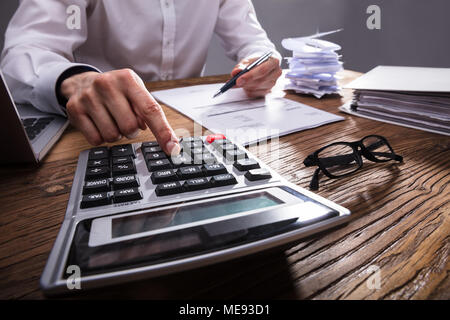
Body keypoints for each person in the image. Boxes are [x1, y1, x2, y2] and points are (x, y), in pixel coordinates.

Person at [1, 0, 282, 155]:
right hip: (97, 133)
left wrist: (264, 61)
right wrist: (76, 80)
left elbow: (253, 42)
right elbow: (22, 53)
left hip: (191, 128)